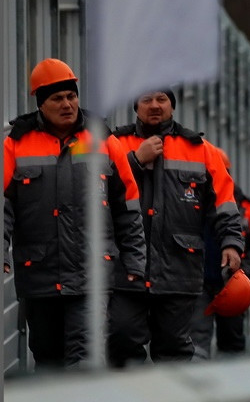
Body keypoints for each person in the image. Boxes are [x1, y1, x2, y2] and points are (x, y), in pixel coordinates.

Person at [3, 59, 147, 370]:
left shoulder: (104, 140)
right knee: (48, 360)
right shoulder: (16, 144)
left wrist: (135, 260)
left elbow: (128, 207)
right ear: (41, 103)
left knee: (84, 359)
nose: (67, 104)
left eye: (71, 95)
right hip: (40, 274)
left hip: (91, 275)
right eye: (57, 98)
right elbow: (3, 207)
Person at [108, 89, 243, 365]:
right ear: (136, 106)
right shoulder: (114, 143)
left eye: (162, 99)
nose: (154, 106)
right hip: (125, 271)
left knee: (173, 352)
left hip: (178, 271)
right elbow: (92, 189)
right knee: (121, 341)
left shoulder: (202, 150)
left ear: (173, 105)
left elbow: (225, 203)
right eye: (146, 99)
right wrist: (134, 161)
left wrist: (231, 242)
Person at [189, 147, 250, 358]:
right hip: (200, 282)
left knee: (232, 340)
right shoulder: (192, 201)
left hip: (231, 284)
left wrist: (242, 273)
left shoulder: (246, 208)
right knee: (197, 340)